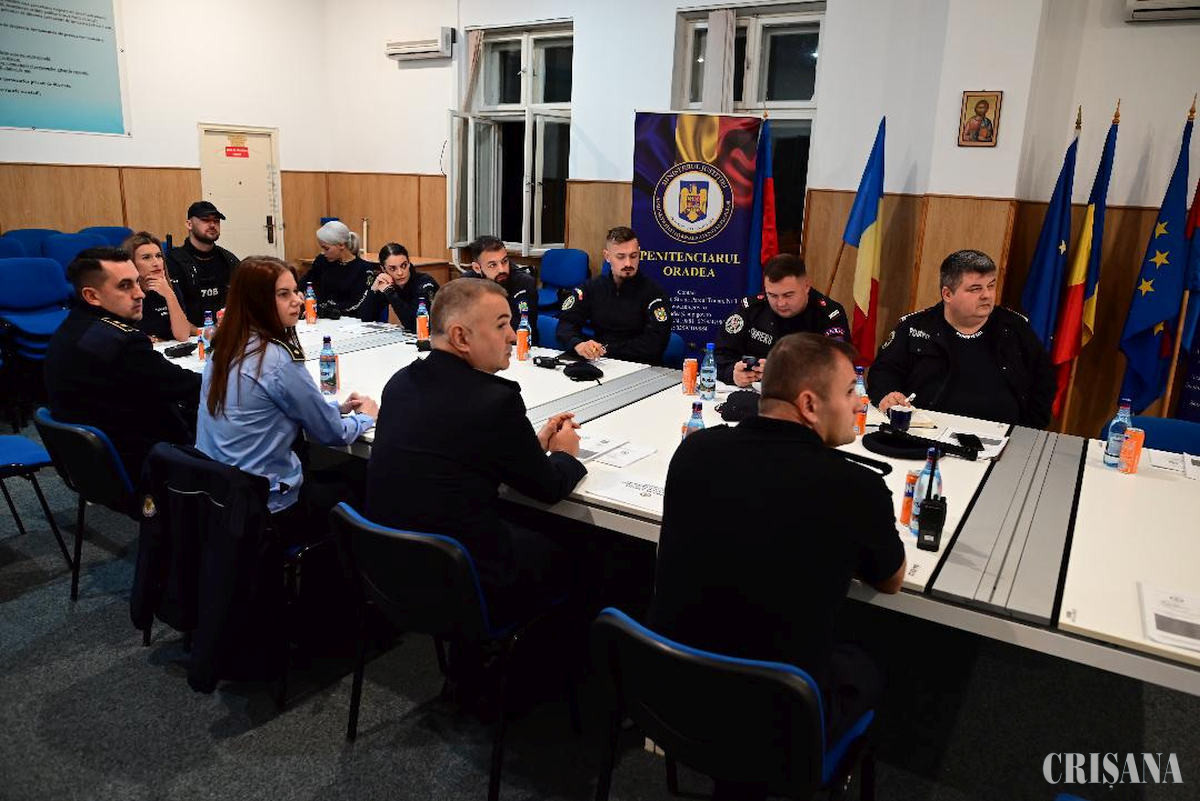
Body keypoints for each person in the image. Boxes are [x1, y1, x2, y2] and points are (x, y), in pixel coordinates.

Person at [649, 332, 905, 752]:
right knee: (867, 664)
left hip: (670, 691)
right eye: (849, 391)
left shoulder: (695, 450)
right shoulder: (857, 487)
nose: (861, 403)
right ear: (809, 405)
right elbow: (891, 580)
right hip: (779, 721)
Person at [366, 278, 585, 627]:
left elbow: (458, 451)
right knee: (582, 551)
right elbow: (548, 488)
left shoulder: (400, 383)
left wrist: (529, 446)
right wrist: (565, 453)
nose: (513, 336)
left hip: (391, 566)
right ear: (461, 337)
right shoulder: (494, 401)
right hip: (465, 578)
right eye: (501, 325)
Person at [195, 256, 378, 536]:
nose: (297, 300)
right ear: (257, 301)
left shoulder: (225, 346)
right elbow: (332, 434)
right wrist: (365, 417)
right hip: (268, 507)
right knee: (364, 477)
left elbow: (265, 409)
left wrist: (335, 408)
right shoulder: (276, 359)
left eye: (295, 291)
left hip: (219, 497)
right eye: (284, 294)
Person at [44, 247, 201, 482]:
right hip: (138, 465)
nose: (140, 294)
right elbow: (186, 385)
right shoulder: (121, 342)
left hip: (88, 464)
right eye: (125, 286)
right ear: (92, 296)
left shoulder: (72, 326)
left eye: (137, 282)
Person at [869, 249, 1055, 428]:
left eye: (991, 286)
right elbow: (883, 371)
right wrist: (889, 394)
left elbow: (1044, 380)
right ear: (947, 294)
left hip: (1002, 435)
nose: (987, 295)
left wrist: (1028, 430)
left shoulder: (1015, 328)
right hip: (927, 430)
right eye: (975, 289)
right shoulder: (914, 327)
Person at [715, 253, 850, 386]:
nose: (780, 303)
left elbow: (839, 368)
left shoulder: (828, 314)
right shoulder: (752, 309)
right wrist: (733, 374)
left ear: (806, 286)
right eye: (772, 295)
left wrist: (785, 374)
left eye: (788, 295)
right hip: (751, 393)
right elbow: (721, 355)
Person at [556, 226, 671, 365]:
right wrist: (578, 344)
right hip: (601, 363)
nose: (628, 263)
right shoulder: (592, 288)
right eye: (620, 257)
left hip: (640, 365)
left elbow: (655, 344)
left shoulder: (654, 294)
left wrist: (606, 349)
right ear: (607, 256)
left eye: (633, 256)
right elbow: (566, 323)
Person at [166, 200, 240, 327]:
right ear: (189, 224)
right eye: (205, 220)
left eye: (216, 221)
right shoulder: (174, 262)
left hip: (225, 331)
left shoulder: (228, 260)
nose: (212, 225)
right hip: (188, 334)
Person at [464, 235, 538, 344]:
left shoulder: (523, 283)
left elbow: (521, 328)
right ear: (477, 268)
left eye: (504, 261)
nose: (501, 269)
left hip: (518, 346)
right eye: (492, 265)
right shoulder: (466, 284)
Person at [121, 231, 194, 342]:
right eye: (146, 257)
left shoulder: (171, 286)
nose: (156, 263)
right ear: (131, 262)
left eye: (159, 256)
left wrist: (169, 295)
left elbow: (182, 335)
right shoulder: (124, 293)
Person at [358, 242, 439, 329]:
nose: (400, 273)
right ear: (383, 269)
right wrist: (373, 290)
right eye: (393, 268)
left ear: (409, 263)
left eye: (404, 265)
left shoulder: (424, 283)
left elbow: (416, 325)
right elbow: (365, 318)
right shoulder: (386, 282)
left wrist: (390, 293)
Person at [304, 220, 374, 318]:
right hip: (320, 318)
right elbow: (307, 283)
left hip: (347, 320)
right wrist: (299, 293)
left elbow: (357, 304)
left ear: (341, 245)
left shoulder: (364, 269)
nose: (323, 252)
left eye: (326, 248)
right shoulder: (321, 262)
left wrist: (325, 310)